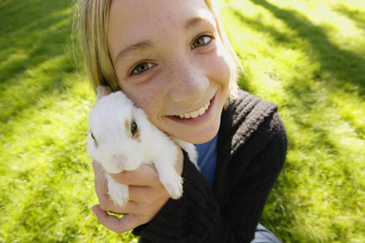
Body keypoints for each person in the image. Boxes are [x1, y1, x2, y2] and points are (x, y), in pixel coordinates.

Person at [77, 0, 287, 242]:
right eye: (142, 66)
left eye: (201, 40)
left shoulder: (262, 137)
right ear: (114, 88)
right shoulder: (120, 140)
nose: (194, 89)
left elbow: (237, 237)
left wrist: (170, 208)